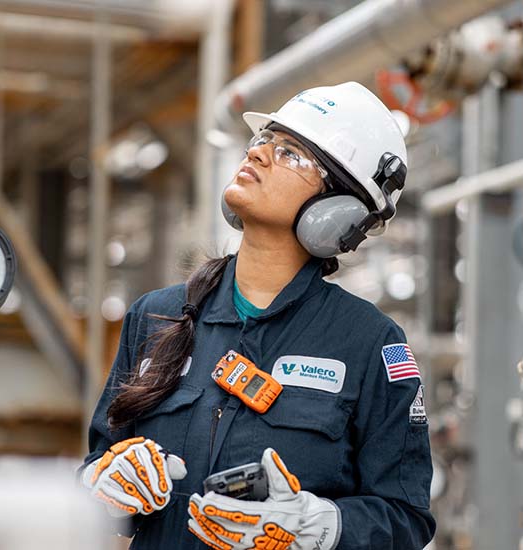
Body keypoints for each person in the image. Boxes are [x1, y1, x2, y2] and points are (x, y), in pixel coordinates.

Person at [80, 81, 436, 550]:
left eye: (291, 153)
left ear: (336, 211)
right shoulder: (157, 316)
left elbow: (405, 518)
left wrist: (317, 524)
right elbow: (99, 465)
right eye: (264, 139)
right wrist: (101, 489)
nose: (261, 154)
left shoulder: (369, 344)